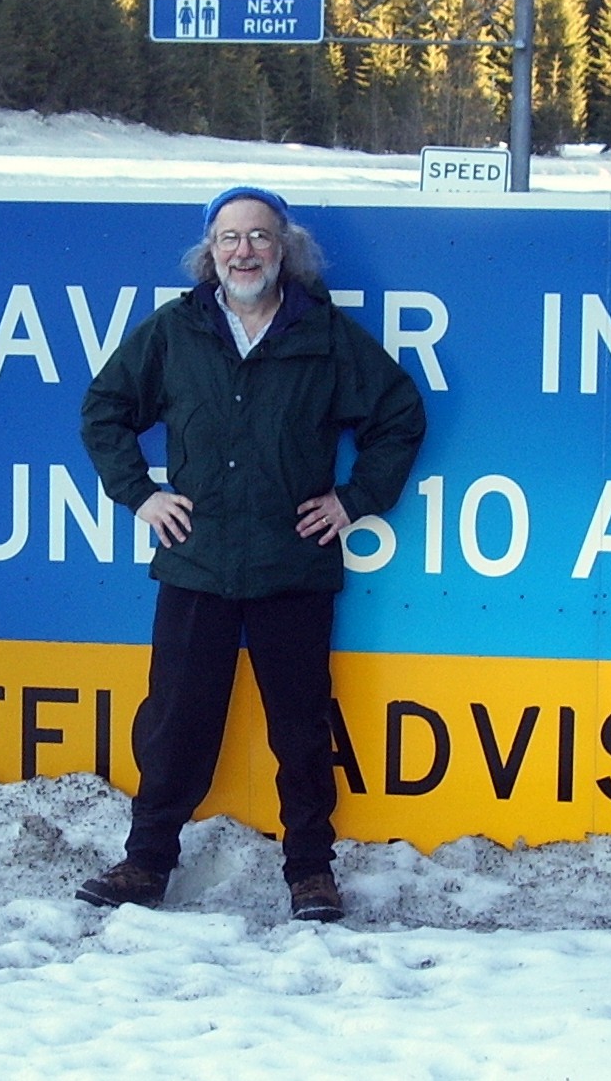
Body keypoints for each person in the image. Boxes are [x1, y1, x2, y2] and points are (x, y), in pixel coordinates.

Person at [76, 186, 426, 922]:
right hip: (197, 562)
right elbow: (105, 409)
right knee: (175, 721)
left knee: (300, 726)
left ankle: (310, 872)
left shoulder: (326, 338)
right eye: (230, 238)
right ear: (210, 253)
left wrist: (354, 500)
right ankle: (147, 863)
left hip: (291, 563)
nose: (245, 252)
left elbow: (398, 416)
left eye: (260, 237)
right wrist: (140, 494)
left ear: (284, 249)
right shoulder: (174, 333)